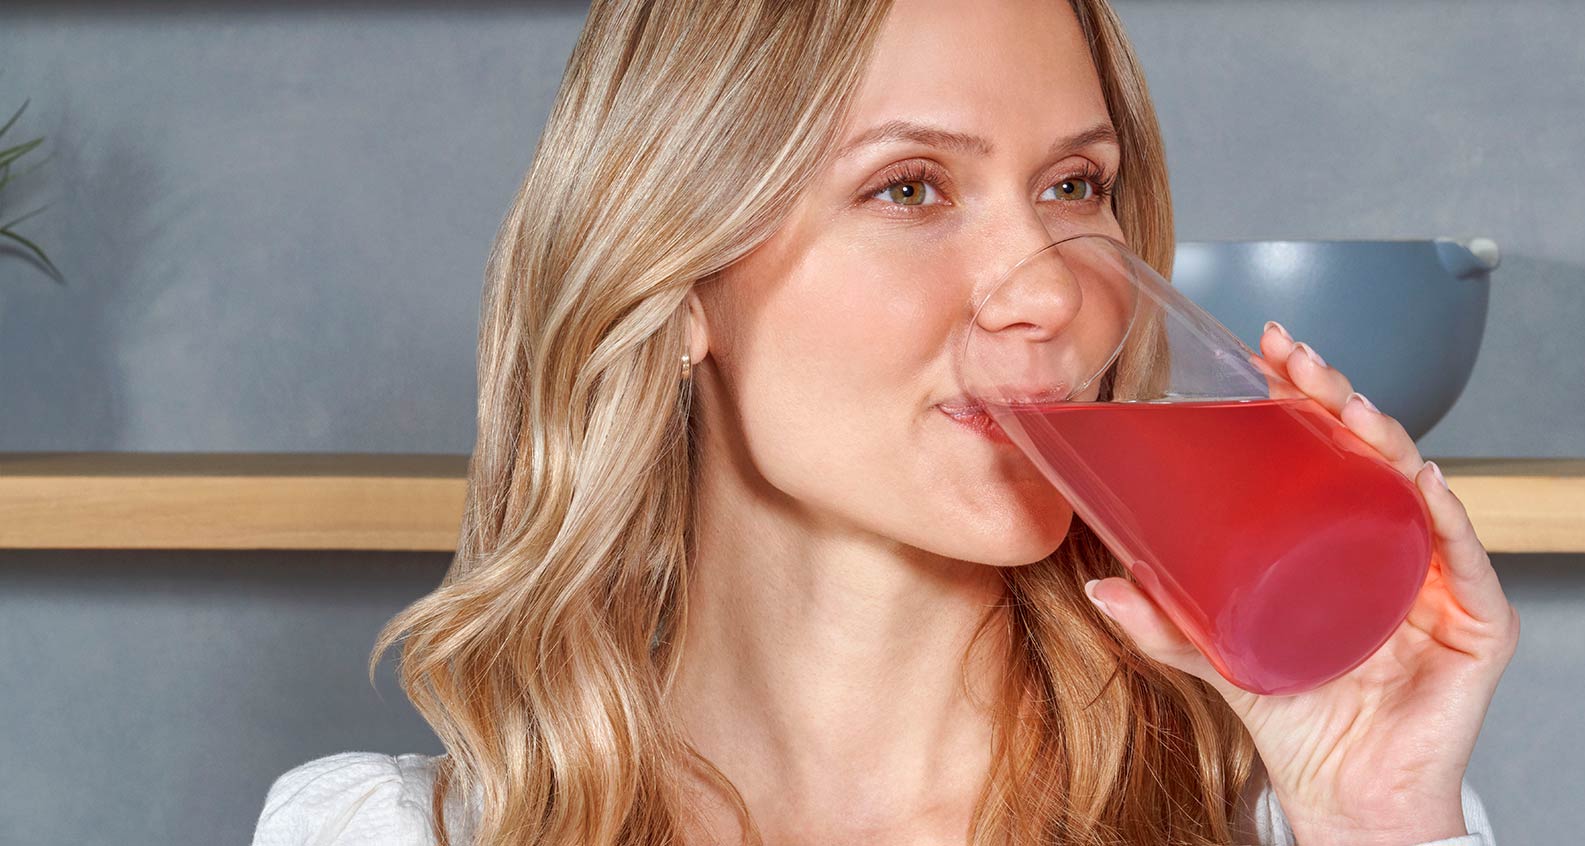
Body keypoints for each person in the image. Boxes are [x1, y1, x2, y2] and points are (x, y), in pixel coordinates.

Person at [253, 0, 1519, 843]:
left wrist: (1383, 819)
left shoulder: (1298, 814)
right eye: (911, 187)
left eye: (1074, 185)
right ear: (679, 279)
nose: (1045, 287)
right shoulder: (379, 835)